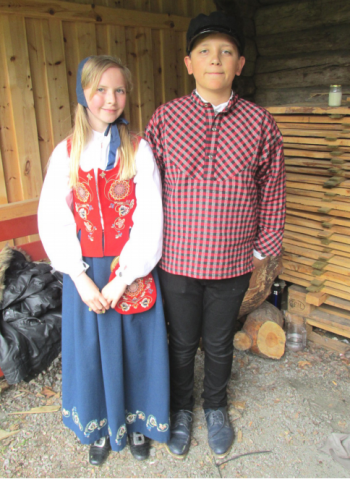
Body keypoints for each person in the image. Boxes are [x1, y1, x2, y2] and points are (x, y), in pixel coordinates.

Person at [145, 11, 286, 459]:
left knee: (221, 342)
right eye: (205, 51)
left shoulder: (261, 124)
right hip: (176, 260)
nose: (216, 60)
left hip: (232, 261)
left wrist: (263, 249)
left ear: (240, 63)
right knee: (182, 341)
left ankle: (216, 407)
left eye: (226, 51)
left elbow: (274, 190)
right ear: (189, 62)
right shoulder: (165, 119)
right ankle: (182, 409)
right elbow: (146, 190)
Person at [38, 55, 170, 466]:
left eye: (119, 90)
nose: (111, 99)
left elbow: (151, 218)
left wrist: (123, 277)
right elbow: (53, 218)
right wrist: (79, 278)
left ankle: (136, 423)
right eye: (101, 89)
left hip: (130, 268)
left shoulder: (137, 149)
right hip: (86, 272)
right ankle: (99, 424)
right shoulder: (66, 153)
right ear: (84, 93)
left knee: (134, 346)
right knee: (92, 350)